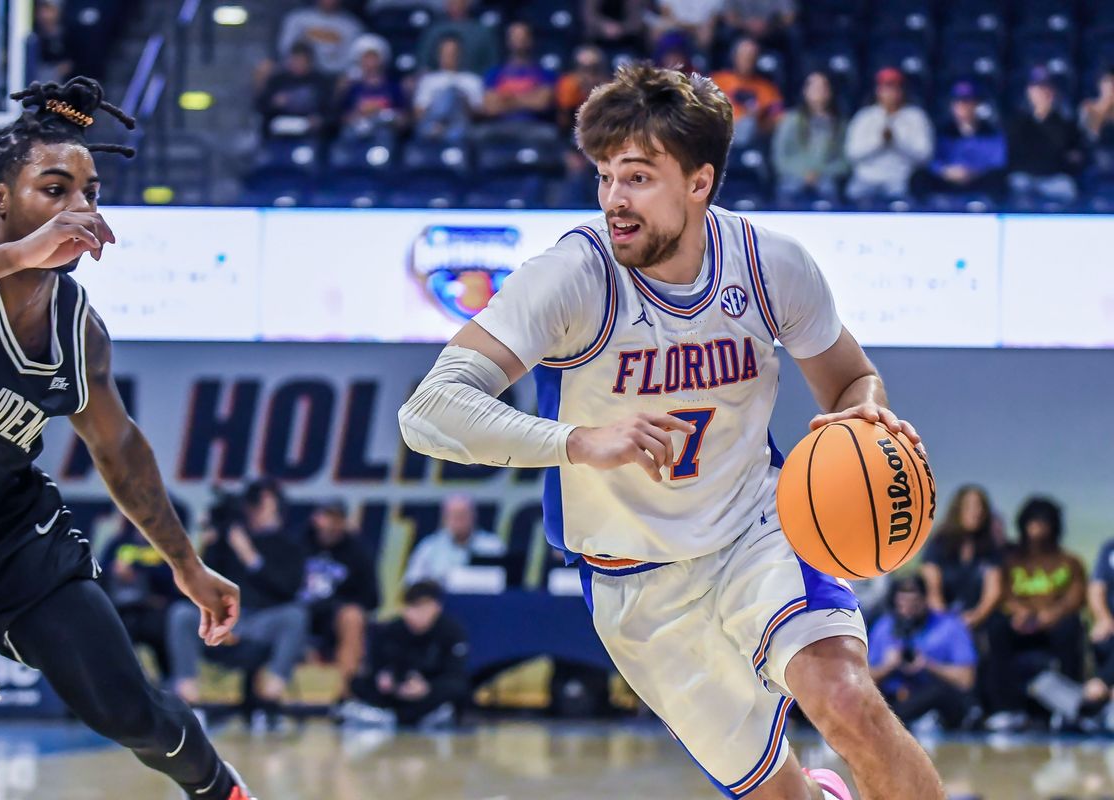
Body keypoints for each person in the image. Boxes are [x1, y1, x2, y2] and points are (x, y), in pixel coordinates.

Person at [399, 64, 944, 799]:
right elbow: (429, 411)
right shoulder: (572, 276)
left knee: (847, 701)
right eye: (605, 177)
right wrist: (577, 442)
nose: (614, 200)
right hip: (635, 580)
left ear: (699, 182)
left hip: (757, 530)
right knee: (781, 793)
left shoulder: (770, 264)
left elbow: (852, 380)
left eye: (638, 177)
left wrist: (865, 417)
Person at [0, 78, 252, 800]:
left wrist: (186, 564)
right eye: (55, 190)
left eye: (90, 194)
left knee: (127, 709)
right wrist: (17, 256)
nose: (80, 210)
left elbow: (119, 449)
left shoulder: (78, 327)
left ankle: (223, 790)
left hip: (6, 537)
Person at [169, 480, 310, 713]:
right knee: (181, 614)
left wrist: (250, 557)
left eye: (264, 504)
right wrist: (209, 544)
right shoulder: (226, 540)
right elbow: (201, 583)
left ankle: (271, 693)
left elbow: (288, 589)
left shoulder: (289, 545)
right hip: (224, 622)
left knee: (295, 615)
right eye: (255, 503)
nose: (257, 510)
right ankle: (188, 696)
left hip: (262, 621)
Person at [984, 497, 1087, 731]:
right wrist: (1020, 612)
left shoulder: (1069, 561)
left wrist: (1051, 615)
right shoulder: (1011, 561)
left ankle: (1068, 708)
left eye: (1043, 522)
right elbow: (1003, 594)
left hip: (1055, 624)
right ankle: (1007, 709)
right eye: (1033, 522)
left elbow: (1076, 596)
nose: (1037, 528)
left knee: (1071, 628)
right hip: (1021, 624)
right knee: (997, 627)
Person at [344, 580, 470, 727]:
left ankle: (395, 717)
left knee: (457, 688)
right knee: (357, 683)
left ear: (436, 607)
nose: (413, 615)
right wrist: (385, 678)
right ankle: (403, 715)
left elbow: (454, 672)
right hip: (397, 690)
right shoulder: (392, 629)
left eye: (421, 608)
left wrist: (427, 687)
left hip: (429, 689)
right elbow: (378, 665)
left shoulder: (452, 632)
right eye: (410, 607)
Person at [868, 575, 978, 731]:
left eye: (914, 602)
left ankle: (892, 722)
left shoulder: (949, 625)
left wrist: (929, 665)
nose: (908, 609)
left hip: (937, 698)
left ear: (925, 599)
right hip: (896, 698)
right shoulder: (884, 626)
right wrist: (888, 666)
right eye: (902, 602)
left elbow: (967, 680)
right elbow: (864, 678)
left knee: (939, 692)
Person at [301, 501, 378, 700]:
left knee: (352, 617)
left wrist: (339, 604)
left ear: (344, 522)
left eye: (336, 519)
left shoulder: (358, 551)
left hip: (335, 617)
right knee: (288, 616)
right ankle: (270, 700)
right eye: (326, 518)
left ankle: (345, 694)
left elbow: (373, 599)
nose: (330, 525)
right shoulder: (299, 544)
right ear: (315, 519)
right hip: (301, 614)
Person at [99, 513, 181, 679]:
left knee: (164, 634)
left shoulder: (165, 545)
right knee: (117, 637)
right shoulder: (119, 542)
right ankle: (131, 680)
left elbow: (173, 577)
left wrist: (136, 570)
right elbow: (100, 571)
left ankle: (170, 681)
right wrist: (115, 572)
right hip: (122, 608)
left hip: (156, 608)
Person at [918, 485, 1002, 630]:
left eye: (980, 506)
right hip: (941, 621)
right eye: (969, 506)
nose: (976, 512)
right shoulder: (938, 544)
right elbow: (932, 591)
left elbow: (993, 592)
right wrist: (948, 623)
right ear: (957, 510)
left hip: (979, 621)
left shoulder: (990, 549)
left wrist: (975, 617)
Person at [845, 68, 933, 203]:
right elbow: (852, 153)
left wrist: (896, 141)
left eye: (894, 88)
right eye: (886, 88)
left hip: (900, 179)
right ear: (878, 91)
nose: (890, 93)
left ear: (902, 91)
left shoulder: (916, 117)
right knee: (852, 195)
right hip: (866, 178)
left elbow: (924, 155)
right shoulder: (865, 116)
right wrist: (879, 141)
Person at [914, 81, 1006, 201]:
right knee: (920, 178)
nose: (962, 106)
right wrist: (946, 171)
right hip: (947, 179)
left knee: (997, 179)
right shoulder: (942, 132)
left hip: (978, 180)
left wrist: (973, 172)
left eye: (967, 101)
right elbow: (931, 160)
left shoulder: (991, 132)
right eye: (958, 102)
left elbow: (998, 162)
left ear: (977, 104)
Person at [1005, 68, 1083, 206]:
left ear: (1053, 92)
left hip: (1053, 179)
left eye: (1047, 89)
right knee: (1017, 183)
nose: (1043, 93)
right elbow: (1014, 157)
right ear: (1029, 92)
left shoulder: (1066, 124)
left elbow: (1071, 157)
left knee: (1067, 187)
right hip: (1025, 177)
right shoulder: (1017, 124)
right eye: (1038, 89)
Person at [771, 70, 848, 204]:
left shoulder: (839, 124)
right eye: (814, 86)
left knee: (829, 188)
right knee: (787, 188)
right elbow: (779, 157)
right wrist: (802, 173)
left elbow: (845, 161)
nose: (819, 91)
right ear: (805, 91)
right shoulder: (790, 120)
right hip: (794, 175)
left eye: (823, 87)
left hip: (825, 176)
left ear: (830, 91)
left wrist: (821, 172)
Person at [478, 22, 557, 140]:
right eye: (515, 37)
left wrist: (507, 98)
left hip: (534, 126)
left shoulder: (545, 73)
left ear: (530, 40)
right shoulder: (494, 74)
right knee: (480, 135)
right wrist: (529, 97)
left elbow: (541, 103)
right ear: (508, 41)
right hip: (500, 126)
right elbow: (490, 108)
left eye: (523, 37)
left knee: (549, 135)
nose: (519, 41)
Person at [403, 495, 506, 586]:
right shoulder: (429, 547)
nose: (459, 520)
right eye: (454, 515)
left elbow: (505, 580)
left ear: (474, 516)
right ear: (444, 518)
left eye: (463, 514)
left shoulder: (493, 545)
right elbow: (412, 581)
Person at [710, 37, 784, 146]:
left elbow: (779, 117)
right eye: (743, 56)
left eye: (751, 57)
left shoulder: (766, 88)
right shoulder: (718, 80)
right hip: (721, 135)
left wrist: (759, 124)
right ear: (734, 57)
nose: (747, 61)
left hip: (754, 139)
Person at [413, 35, 486, 142]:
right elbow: (419, 111)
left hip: (462, 126)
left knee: (453, 93)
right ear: (439, 55)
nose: (449, 56)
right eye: (445, 53)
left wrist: (462, 101)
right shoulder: (428, 80)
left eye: (453, 53)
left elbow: (478, 112)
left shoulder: (472, 80)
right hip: (432, 124)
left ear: (460, 55)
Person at [255, 42, 332, 140]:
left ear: (309, 62)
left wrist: (319, 120)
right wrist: (273, 103)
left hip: (309, 134)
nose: (297, 65)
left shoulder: (320, 81)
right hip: (279, 133)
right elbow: (260, 106)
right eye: (294, 60)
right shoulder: (278, 80)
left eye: (301, 61)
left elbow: (330, 111)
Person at [337, 35, 406, 143]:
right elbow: (342, 116)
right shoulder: (353, 87)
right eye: (366, 57)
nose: (370, 62)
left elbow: (404, 118)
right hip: (357, 130)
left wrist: (392, 117)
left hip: (384, 131)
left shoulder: (393, 87)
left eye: (374, 57)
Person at [277, 0, 364, 77]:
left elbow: (350, 60)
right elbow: (285, 48)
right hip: (297, 73)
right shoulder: (297, 18)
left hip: (333, 76)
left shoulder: (352, 26)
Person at [416, 0, 499, 76]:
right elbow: (424, 63)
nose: (455, 5)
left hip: (475, 81)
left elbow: (491, 63)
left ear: (467, 3)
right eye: (451, 2)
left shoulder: (482, 31)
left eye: (459, 2)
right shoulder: (434, 30)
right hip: (438, 81)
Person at [1084, 536, 1114, 718]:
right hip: (1111, 624)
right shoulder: (1110, 548)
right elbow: (1096, 589)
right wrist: (1104, 618)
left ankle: (1101, 685)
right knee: (1102, 638)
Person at [556, 45, 611, 134]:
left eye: (594, 69)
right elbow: (563, 120)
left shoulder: (609, 89)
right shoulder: (568, 84)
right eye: (584, 69)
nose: (588, 75)